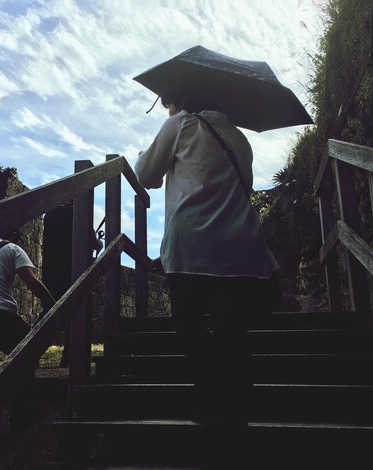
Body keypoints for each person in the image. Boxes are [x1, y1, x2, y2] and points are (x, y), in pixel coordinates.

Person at [134, 92, 280, 465]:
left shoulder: (180, 124)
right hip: (240, 248)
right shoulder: (239, 139)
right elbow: (244, 186)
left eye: (169, 101)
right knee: (232, 332)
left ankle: (211, 404)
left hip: (192, 247)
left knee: (190, 327)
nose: (168, 106)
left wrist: (143, 156)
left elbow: (144, 175)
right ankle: (235, 417)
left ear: (181, 100)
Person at [0, 232, 56, 434]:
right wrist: (52, 303)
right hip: (1, 315)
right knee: (28, 354)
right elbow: (31, 281)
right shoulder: (12, 249)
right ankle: (20, 413)